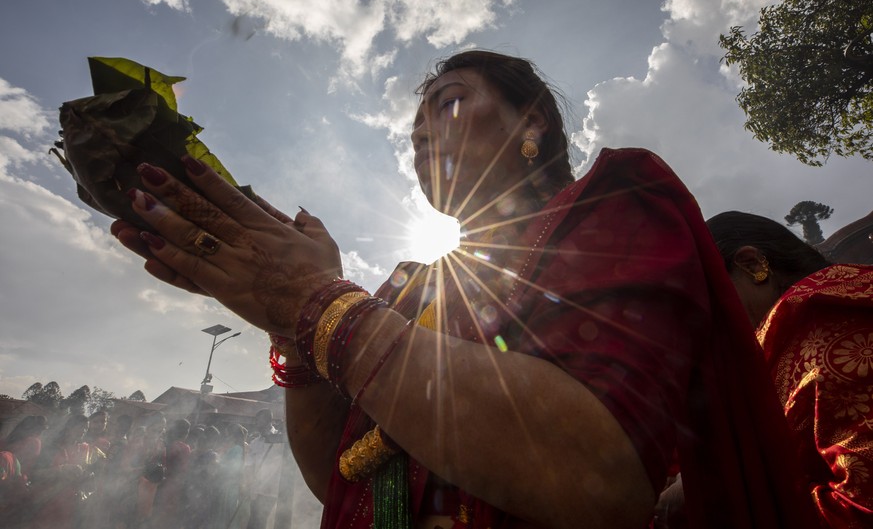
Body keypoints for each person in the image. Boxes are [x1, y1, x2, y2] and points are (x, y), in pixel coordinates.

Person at [111, 50, 817, 529]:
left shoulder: (612, 201)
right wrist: (287, 326)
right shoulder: (410, 285)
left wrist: (315, 299)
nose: (423, 141)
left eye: (448, 105)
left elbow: (600, 482)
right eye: (413, 136)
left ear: (532, 121)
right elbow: (341, 482)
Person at [707, 210, 873, 527]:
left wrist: (728, 499)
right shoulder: (833, 311)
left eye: (713, 303)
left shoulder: (827, 343)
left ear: (753, 265)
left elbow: (860, 509)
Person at [245, 409, 284, 529]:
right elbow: (249, 465)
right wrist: (248, 483)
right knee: (253, 520)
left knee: (261, 520)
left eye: (260, 421)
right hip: (256, 489)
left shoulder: (281, 438)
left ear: (269, 421)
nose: (257, 424)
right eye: (256, 421)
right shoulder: (255, 442)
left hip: (271, 490)